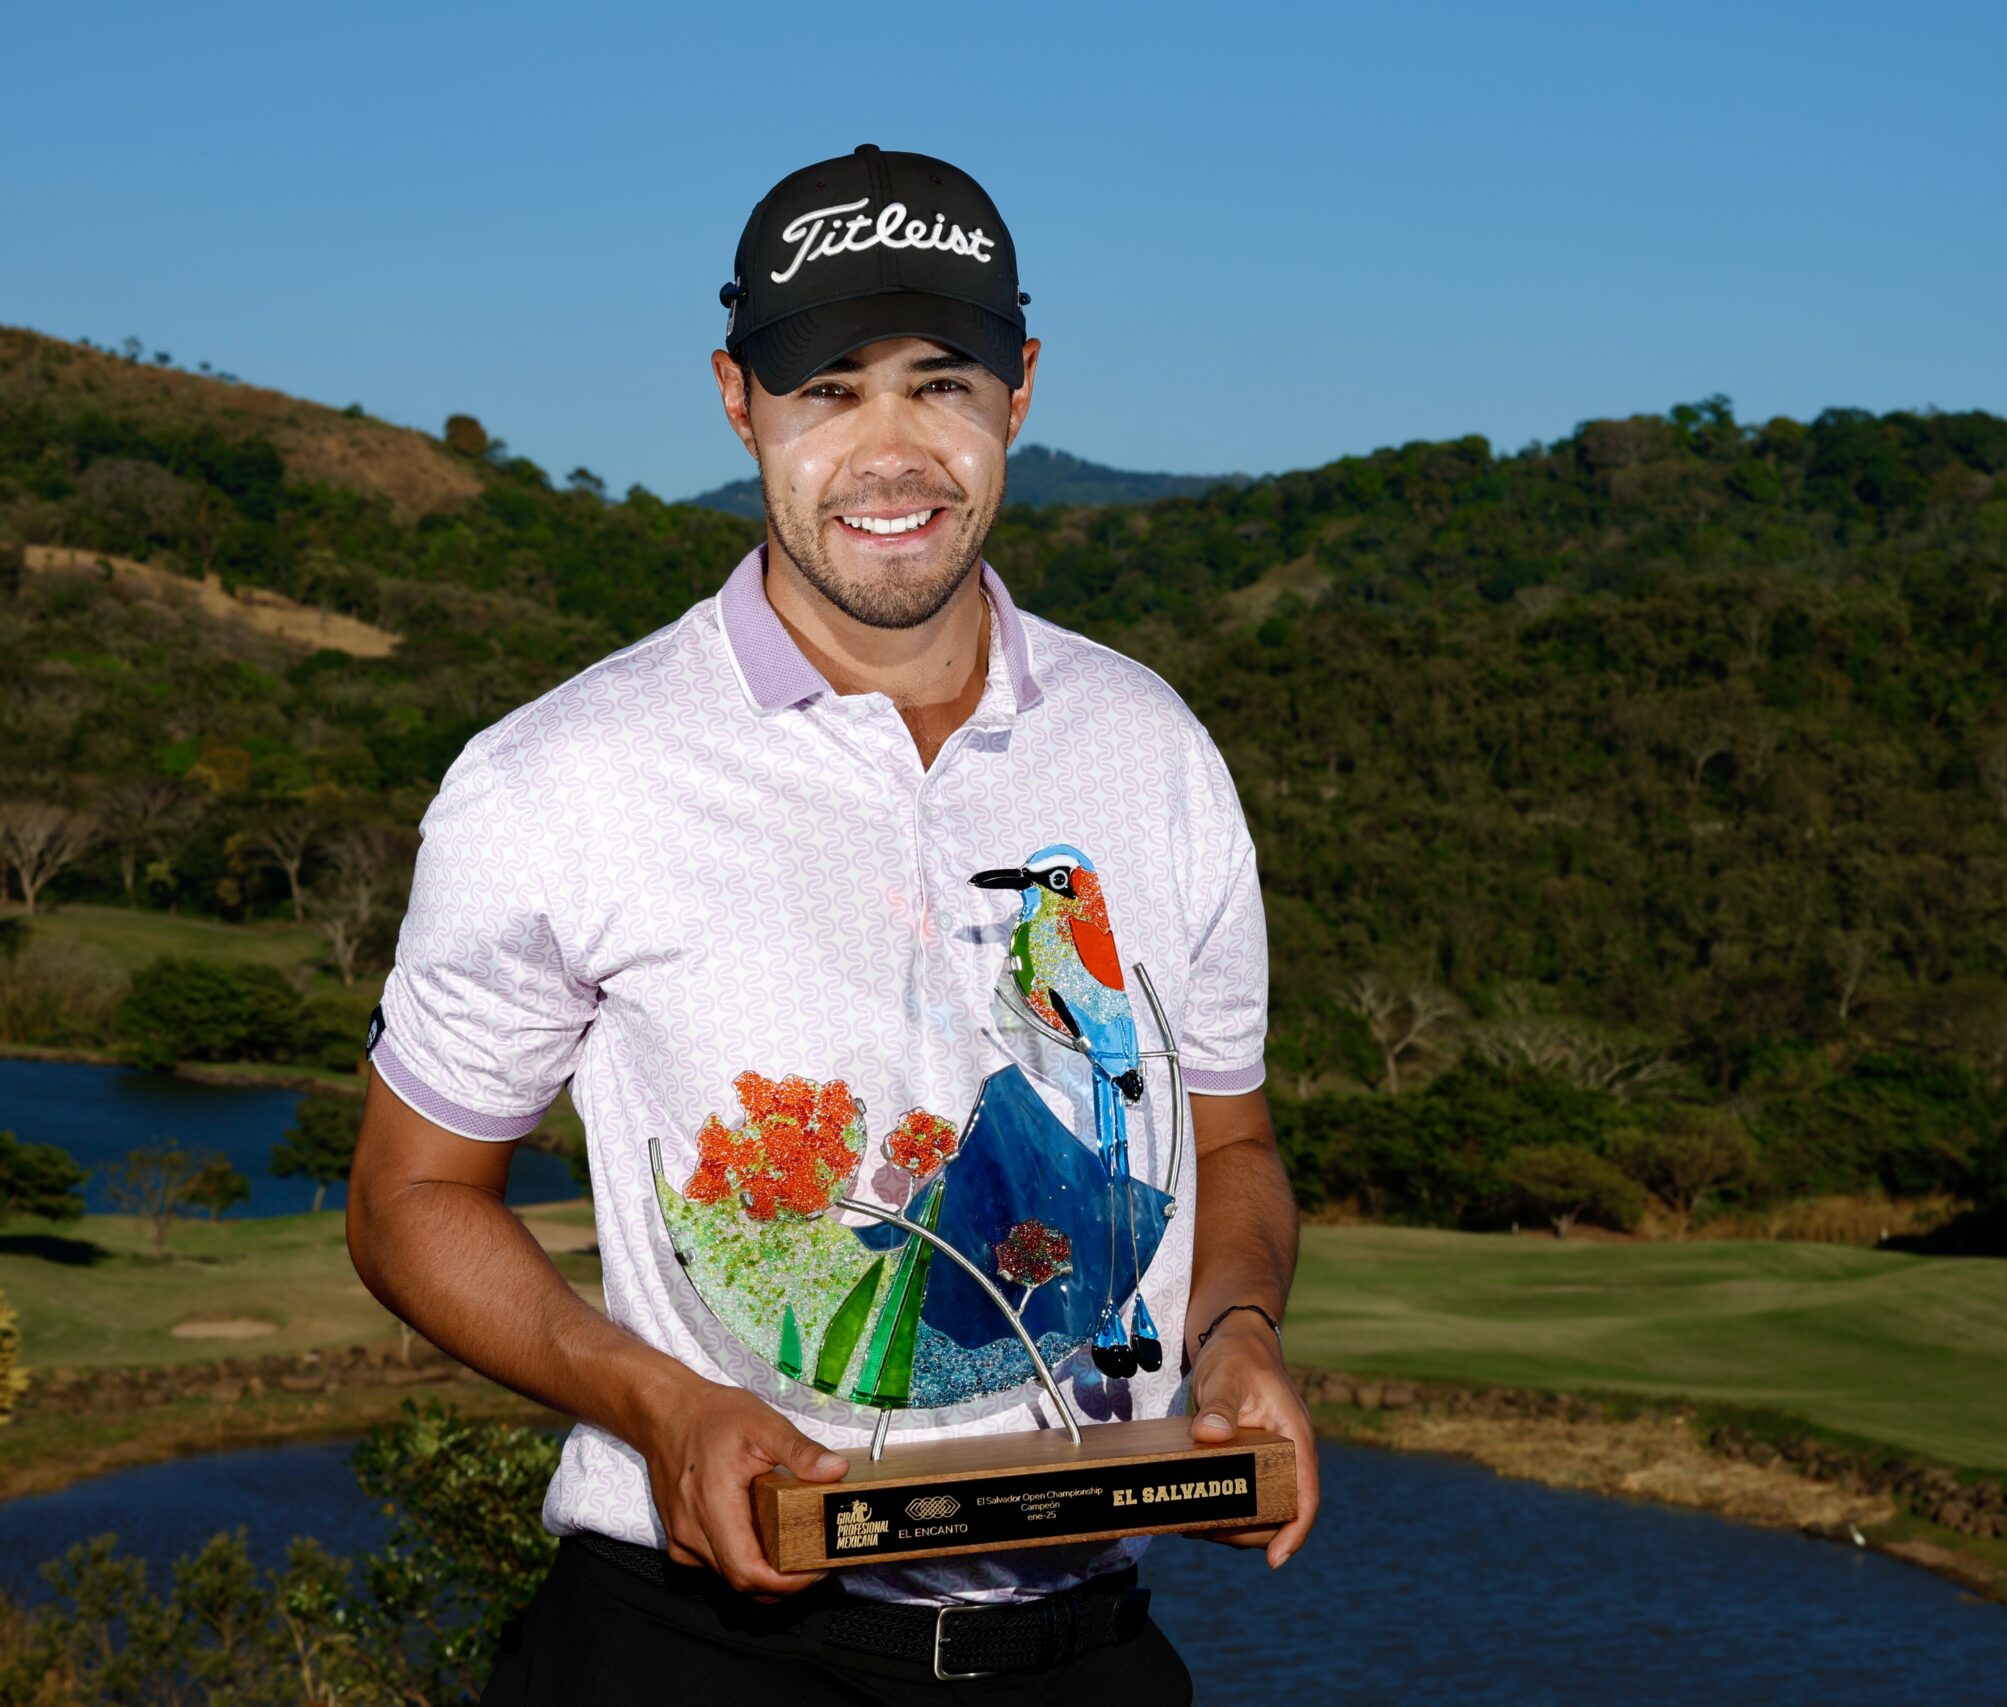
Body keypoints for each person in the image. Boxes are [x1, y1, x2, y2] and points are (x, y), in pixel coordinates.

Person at [346, 144, 1317, 1705]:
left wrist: (1238, 1332)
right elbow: (409, 1198)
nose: (892, 451)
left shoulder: (1155, 748)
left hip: (1093, 1651)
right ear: (739, 401)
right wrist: (658, 1405)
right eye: (828, 391)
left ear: (1021, 389)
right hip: (697, 1656)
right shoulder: (558, 776)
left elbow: (1237, 1149)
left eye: (941, 383)